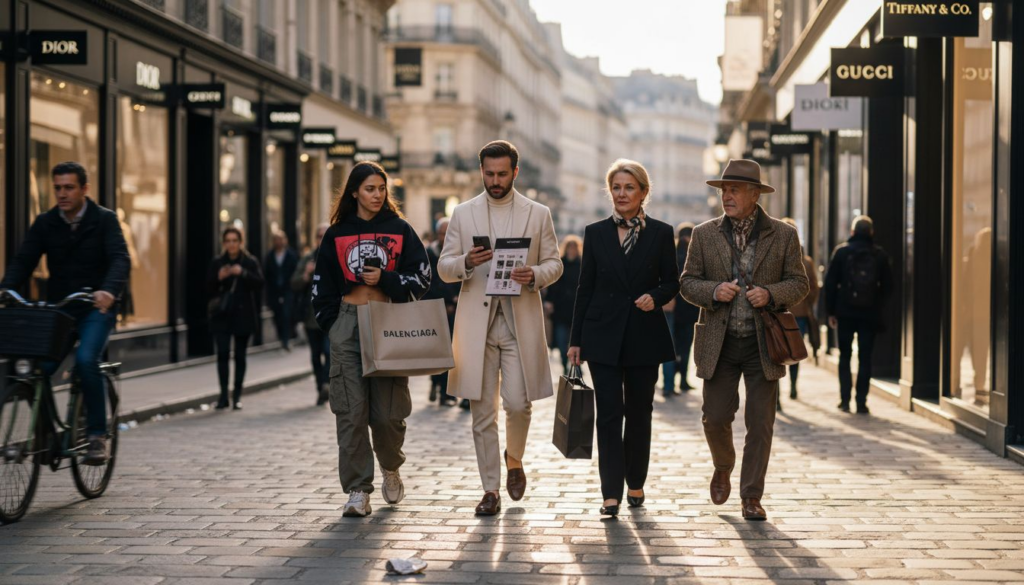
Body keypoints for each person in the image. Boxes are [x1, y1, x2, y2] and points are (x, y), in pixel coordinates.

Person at [438, 140, 563, 516]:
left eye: (502, 174)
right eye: (489, 174)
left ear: (515, 173)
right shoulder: (463, 213)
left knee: (518, 404)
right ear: (482, 172)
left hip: (518, 321)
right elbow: (444, 267)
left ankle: (514, 458)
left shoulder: (537, 213)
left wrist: (534, 275)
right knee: (482, 412)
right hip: (477, 324)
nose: (495, 181)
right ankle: (490, 489)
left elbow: (555, 264)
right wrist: (466, 262)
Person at [679, 159, 808, 521]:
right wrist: (713, 290)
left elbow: (800, 283)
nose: (727, 196)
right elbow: (687, 282)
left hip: (763, 344)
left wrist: (769, 293)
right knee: (714, 417)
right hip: (718, 342)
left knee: (760, 423)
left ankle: (751, 495)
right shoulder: (704, 234)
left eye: (734, 189)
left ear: (755, 194)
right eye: (724, 189)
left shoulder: (783, 235)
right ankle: (723, 464)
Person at [312, 161, 431, 518]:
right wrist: (332, 324)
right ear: (354, 192)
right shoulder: (336, 235)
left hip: (388, 324)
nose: (377, 195)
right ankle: (357, 491)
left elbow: (422, 276)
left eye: (381, 188)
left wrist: (387, 279)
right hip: (347, 325)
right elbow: (321, 286)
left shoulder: (400, 229)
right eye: (369, 189)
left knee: (388, 415)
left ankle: (391, 466)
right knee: (350, 412)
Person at [567, 159, 678, 517]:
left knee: (640, 412)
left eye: (629, 187)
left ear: (644, 192)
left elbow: (671, 281)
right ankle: (610, 492)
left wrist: (656, 297)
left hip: (644, 333)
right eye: (616, 187)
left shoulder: (661, 233)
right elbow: (585, 287)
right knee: (609, 413)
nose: (621, 194)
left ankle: (636, 481)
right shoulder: (595, 231)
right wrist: (575, 340)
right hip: (602, 335)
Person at [0, 161, 130, 465]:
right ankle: (45, 433)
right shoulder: (45, 223)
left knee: (86, 360)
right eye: (57, 188)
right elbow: (24, 260)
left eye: (69, 187)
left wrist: (109, 291)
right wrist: (5, 288)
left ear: (84, 189)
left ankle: (97, 435)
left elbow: (120, 259)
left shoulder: (104, 220)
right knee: (36, 369)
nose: (62, 194)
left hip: (95, 308)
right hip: (59, 311)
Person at [824, 215, 893, 415]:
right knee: (865, 357)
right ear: (871, 233)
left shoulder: (842, 252)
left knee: (845, 356)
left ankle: (845, 400)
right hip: (869, 315)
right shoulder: (879, 254)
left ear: (852, 232)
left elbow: (830, 285)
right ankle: (861, 402)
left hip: (844, 313)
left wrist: (830, 311)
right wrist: (876, 302)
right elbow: (889, 286)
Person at [207, 227, 264, 411]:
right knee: (222, 354)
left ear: (240, 242)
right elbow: (207, 288)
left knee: (240, 356)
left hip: (243, 314)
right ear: (224, 243)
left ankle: (237, 395)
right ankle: (224, 396)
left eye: (234, 240)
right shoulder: (218, 262)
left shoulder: (249, 261)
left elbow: (260, 283)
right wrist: (219, 277)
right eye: (228, 241)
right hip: (222, 315)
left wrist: (243, 273)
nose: (231, 244)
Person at [779, 217, 819, 406]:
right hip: (799, 315)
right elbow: (813, 287)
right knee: (794, 352)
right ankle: (793, 386)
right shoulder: (806, 261)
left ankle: (777, 395)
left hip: (777, 314)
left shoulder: (775, 258)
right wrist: (806, 304)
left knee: (776, 352)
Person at [292, 223, 331, 406]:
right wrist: (306, 275)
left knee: (329, 352)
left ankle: (326, 384)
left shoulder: (336, 257)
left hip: (331, 316)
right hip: (310, 316)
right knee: (315, 355)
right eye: (319, 236)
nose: (322, 239)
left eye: (326, 235)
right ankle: (320, 387)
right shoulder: (308, 259)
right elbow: (294, 283)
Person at [423, 217, 461, 406]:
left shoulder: (458, 254)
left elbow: (459, 279)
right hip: (434, 308)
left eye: (448, 233)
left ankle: (447, 391)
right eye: (441, 233)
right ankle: (435, 383)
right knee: (435, 350)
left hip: (454, 309)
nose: (444, 237)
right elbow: (428, 282)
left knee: (451, 350)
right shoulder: (429, 253)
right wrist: (444, 300)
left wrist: (454, 300)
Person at [547, 235, 582, 375]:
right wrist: (549, 301)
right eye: (569, 247)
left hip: (577, 310)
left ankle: (577, 367)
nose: (572, 250)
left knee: (576, 343)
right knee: (562, 342)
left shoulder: (583, 264)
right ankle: (565, 365)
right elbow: (552, 285)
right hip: (561, 309)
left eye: (574, 247)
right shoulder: (560, 264)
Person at [671, 223, 700, 394]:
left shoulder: (673, 255)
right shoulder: (693, 257)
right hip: (688, 310)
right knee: (684, 346)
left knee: (676, 346)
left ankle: (674, 379)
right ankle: (680, 379)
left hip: (677, 309)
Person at [264, 230, 298, 351]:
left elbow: (295, 273)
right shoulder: (270, 256)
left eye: (280, 239)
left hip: (288, 291)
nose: (278, 242)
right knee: (277, 316)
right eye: (276, 240)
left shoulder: (291, 255)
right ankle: (281, 338)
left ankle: (286, 340)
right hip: (274, 292)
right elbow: (266, 275)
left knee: (286, 314)